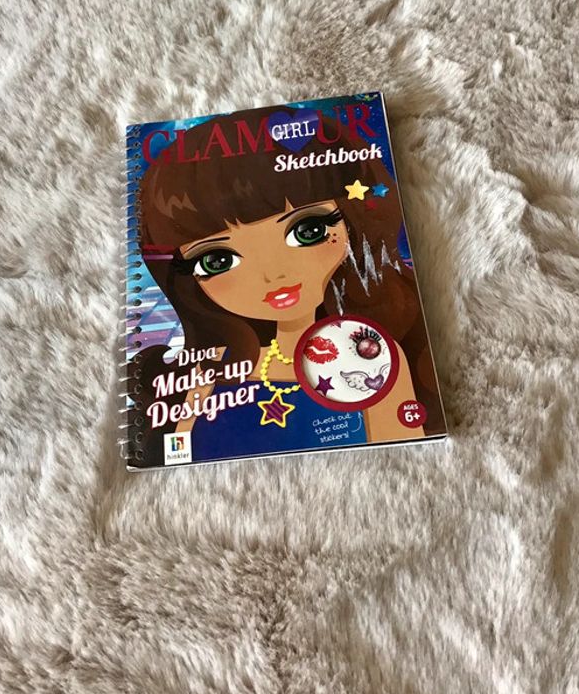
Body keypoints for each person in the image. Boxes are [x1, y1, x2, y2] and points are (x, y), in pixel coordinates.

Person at [129, 104, 440, 465]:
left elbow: (400, 460)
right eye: (218, 260)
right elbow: (179, 454)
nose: (273, 275)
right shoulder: (212, 366)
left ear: (353, 220)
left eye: (308, 230)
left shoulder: (374, 356)